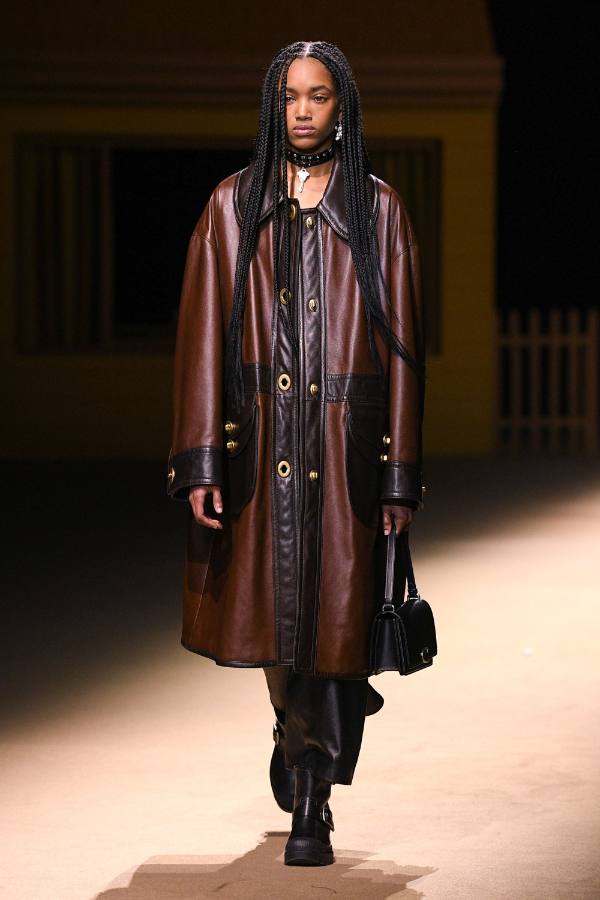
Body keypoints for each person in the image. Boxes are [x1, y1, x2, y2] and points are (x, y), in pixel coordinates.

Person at [166, 40, 426, 867]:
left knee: (338, 620)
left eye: (319, 95)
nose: (304, 110)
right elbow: (202, 337)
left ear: (342, 107)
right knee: (278, 622)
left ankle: (311, 791)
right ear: (273, 107)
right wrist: (201, 458)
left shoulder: (377, 208)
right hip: (261, 448)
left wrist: (398, 473)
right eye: (290, 96)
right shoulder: (233, 204)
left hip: (346, 453)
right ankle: (300, 740)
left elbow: (404, 352)